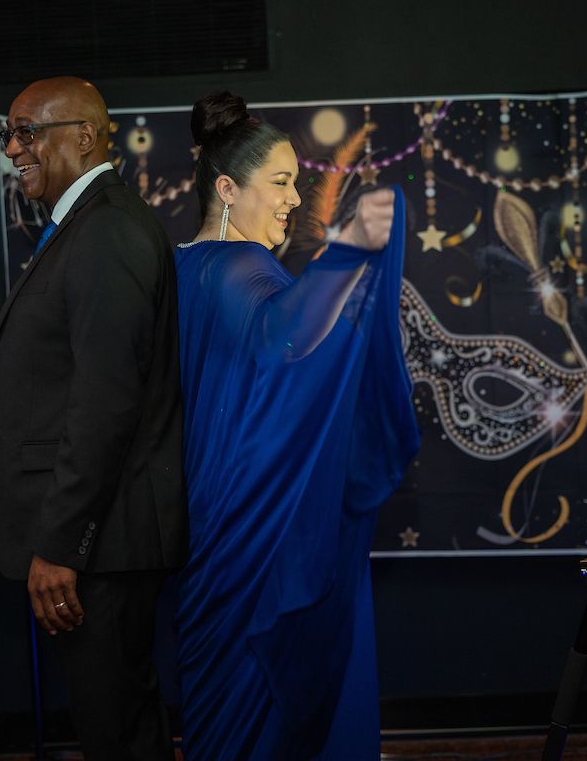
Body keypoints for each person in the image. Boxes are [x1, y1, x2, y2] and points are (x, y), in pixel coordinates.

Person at [173, 91, 420, 759]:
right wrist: (346, 254)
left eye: (295, 182)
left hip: (208, 520)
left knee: (220, 716)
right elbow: (286, 342)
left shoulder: (179, 268)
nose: (291, 198)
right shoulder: (239, 266)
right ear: (227, 187)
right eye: (278, 182)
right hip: (255, 529)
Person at [0, 76, 187, 761]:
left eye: (27, 131)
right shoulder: (84, 226)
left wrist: (62, 544)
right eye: (9, 133)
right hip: (100, 543)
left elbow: (104, 404)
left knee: (119, 731)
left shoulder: (106, 232)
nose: (14, 148)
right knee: (115, 724)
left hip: (101, 546)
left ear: (85, 136)